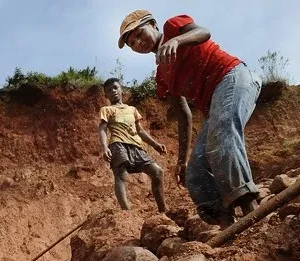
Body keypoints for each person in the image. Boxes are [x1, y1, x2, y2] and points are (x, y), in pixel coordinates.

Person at [118, 9, 261, 226]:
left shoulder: (172, 27)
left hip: (233, 77)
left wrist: (177, 41)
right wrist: (182, 160)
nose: (138, 42)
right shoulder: (162, 76)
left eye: (139, 33)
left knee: (222, 135)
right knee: (196, 170)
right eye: (132, 43)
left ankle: (249, 206)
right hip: (214, 107)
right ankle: (226, 222)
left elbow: (203, 33)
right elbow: (183, 115)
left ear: (153, 25)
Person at [98, 77, 168, 212]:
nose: (113, 91)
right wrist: (105, 147)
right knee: (120, 175)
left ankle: (163, 210)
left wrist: (155, 144)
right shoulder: (106, 109)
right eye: (109, 90)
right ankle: (127, 211)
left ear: (121, 89)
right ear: (106, 95)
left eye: (115, 87)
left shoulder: (132, 109)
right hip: (118, 145)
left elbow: (140, 130)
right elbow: (102, 129)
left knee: (157, 172)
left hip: (136, 147)